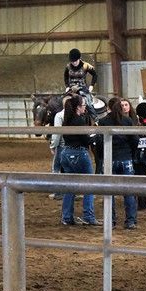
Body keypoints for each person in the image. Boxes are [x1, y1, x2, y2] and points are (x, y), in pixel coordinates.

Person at [58, 93, 99, 226]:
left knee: (70, 187)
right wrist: (95, 136)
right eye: (83, 105)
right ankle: (88, 216)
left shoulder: (66, 120)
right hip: (79, 153)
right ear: (77, 107)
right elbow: (86, 140)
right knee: (90, 185)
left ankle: (66, 216)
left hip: (66, 153)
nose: (85, 107)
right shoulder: (79, 120)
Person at [99, 97, 139, 230]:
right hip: (126, 159)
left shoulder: (103, 121)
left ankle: (111, 221)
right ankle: (130, 221)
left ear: (108, 107)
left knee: (109, 192)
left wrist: (101, 157)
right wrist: (132, 154)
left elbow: (99, 142)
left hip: (110, 160)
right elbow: (135, 140)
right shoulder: (127, 121)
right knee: (129, 191)